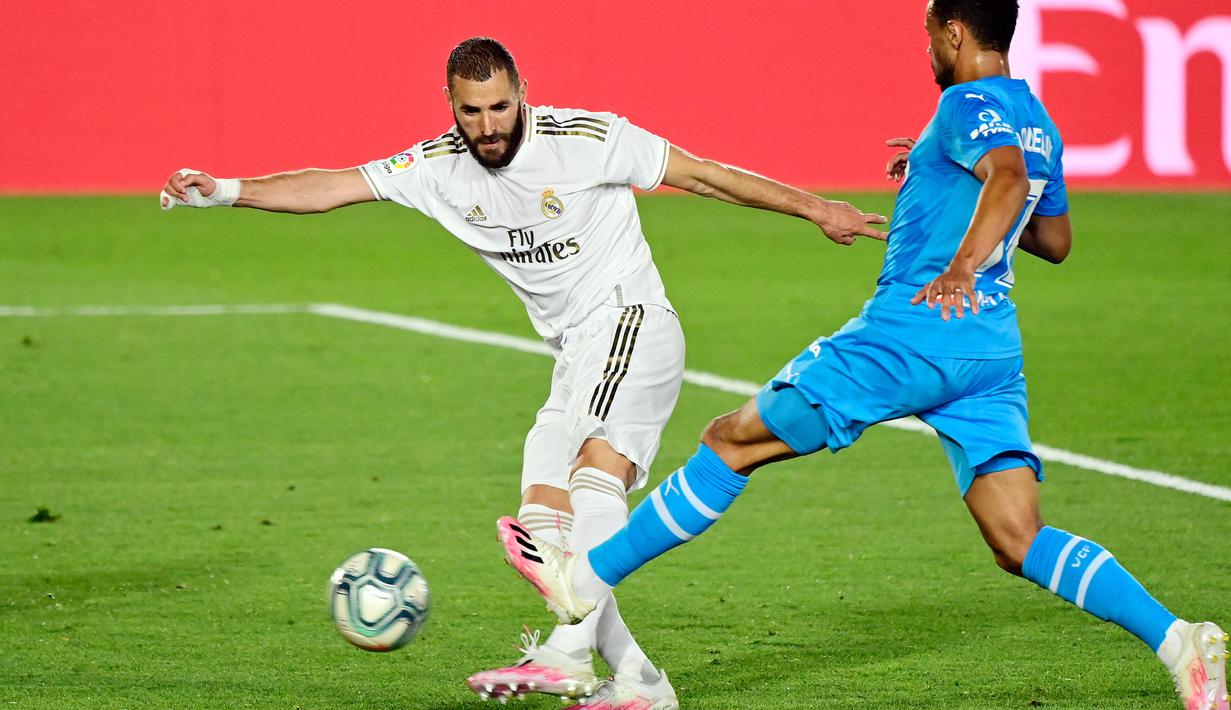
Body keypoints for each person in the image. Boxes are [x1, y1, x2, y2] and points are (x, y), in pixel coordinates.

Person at [495, 3, 1229, 708]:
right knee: (1017, 537)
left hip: (910, 335)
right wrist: (936, 180)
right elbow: (1053, 240)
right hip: (988, 354)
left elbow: (1003, 180)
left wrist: (963, 261)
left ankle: (581, 579)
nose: (926, 49)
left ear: (954, 32)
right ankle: (1178, 642)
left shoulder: (967, 106)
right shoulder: (1035, 119)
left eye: (927, 34)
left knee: (732, 440)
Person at [160, 37, 886, 709]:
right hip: (574, 354)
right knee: (544, 527)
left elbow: (705, 177)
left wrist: (816, 208)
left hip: (629, 322)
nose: (488, 124)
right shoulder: (435, 165)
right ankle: (635, 679)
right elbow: (332, 186)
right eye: (471, 110)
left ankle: (568, 655)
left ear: (522, 93)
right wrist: (226, 190)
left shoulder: (587, 138)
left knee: (593, 478)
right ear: (451, 107)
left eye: (500, 105)